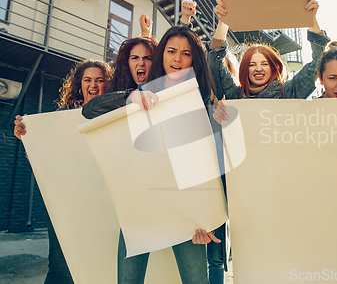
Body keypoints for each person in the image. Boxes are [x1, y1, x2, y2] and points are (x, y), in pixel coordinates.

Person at [84, 25, 223, 284]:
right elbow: (89, 110)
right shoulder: (145, 92)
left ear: (195, 60)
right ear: (162, 56)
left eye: (186, 53)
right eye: (171, 51)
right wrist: (131, 97)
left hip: (187, 213)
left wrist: (206, 215)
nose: (178, 59)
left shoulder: (205, 101)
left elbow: (209, 162)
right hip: (140, 208)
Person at [13, 60, 113, 284]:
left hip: (102, 202)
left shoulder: (115, 114)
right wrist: (27, 137)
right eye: (88, 80)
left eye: (100, 80)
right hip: (66, 204)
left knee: (97, 264)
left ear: (108, 84)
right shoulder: (61, 115)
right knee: (60, 267)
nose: (93, 85)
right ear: (80, 84)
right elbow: (47, 157)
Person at [208, 0, 329, 100]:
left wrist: (311, 18)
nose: (258, 69)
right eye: (252, 65)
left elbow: (319, 62)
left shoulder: (290, 92)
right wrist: (224, 21)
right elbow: (215, 63)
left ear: (273, 67)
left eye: (264, 64)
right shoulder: (234, 95)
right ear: (245, 69)